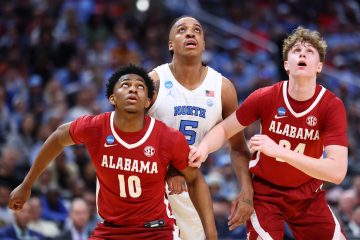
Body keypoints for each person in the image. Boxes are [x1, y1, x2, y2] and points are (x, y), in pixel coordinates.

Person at [8, 64, 217, 240]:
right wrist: (26, 185)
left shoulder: (168, 137)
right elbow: (58, 137)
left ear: (148, 101)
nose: (133, 89)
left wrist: (211, 235)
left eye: (140, 87)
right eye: (125, 85)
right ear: (112, 98)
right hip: (110, 230)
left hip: (155, 231)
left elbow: (196, 180)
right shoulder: (95, 127)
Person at [189, 26, 348, 240]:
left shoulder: (331, 106)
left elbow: (337, 172)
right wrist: (203, 148)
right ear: (286, 64)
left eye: (310, 52)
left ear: (319, 66)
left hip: (308, 193)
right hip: (266, 193)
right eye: (296, 50)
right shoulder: (265, 97)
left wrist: (279, 152)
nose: (302, 54)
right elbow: (225, 128)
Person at [148, 15, 253, 240]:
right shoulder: (153, 82)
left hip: (189, 185)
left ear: (204, 44)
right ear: (170, 44)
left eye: (197, 30)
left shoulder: (222, 88)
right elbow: (130, 136)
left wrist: (247, 191)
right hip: (149, 184)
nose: (190, 33)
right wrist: (168, 170)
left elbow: (237, 147)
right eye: (181, 30)